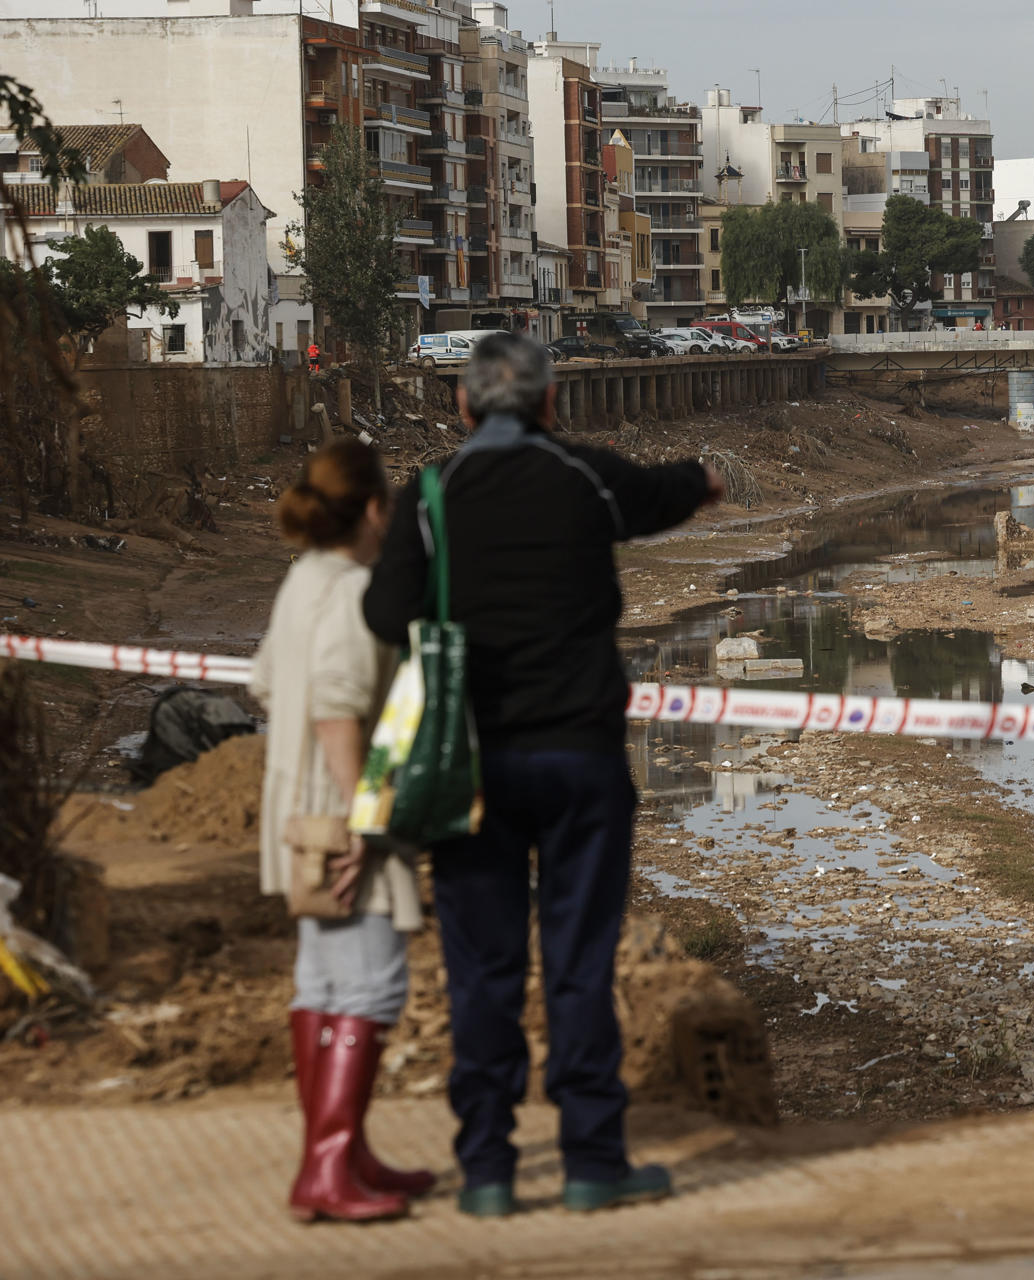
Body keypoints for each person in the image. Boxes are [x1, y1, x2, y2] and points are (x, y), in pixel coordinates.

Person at [363, 334, 722, 1218]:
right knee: (577, 960)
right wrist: (706, 478)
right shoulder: (585, 476)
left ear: (463, 405)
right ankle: (593, 1160)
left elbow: (383, 612)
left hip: (469, 767)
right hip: (580, 758)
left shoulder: (432, 496)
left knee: (480, 969)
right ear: (552, 405)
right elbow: (665, 492)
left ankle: (487, 1168)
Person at [252, 440, 429, 1224]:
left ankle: (341, 1152)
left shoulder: (302, 583)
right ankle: (325, 1169)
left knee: (322, 981)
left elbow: (265, 683)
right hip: (343, 809)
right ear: (373, 510)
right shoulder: (359, 590)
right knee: (371, 981)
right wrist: (366, 817)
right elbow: (335, 704)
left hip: (296, 808)